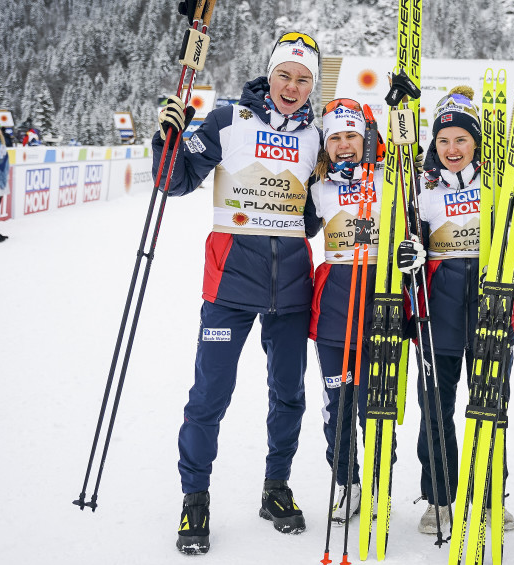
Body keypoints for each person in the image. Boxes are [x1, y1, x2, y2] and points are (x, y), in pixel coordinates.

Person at [152, 31, 323, 554]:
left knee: (289, 394)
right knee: (209, 396)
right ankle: (195, 496)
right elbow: (173, 182)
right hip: (229, 285)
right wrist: (169, 139)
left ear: (312, 85)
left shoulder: (317, 135)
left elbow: (314, 219)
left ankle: (275, 488)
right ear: (268, 76)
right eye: (284, 75)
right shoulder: (229, 119)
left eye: (303, 79)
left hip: (291, 287)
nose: (292, 86)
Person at [395, 86, 514, 535]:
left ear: (475, 143)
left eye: (461, 140)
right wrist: (411, 252)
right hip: (435, 318)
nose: (452, 149)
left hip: (490, 314)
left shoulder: (497, 186)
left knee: (491, 407)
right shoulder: (422, 192)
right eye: (444, 141)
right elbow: (408, 241)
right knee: (435, 410)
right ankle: (439, 497)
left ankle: (489, 496)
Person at [304, 97, 383, 527]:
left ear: (366, 139)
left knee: (378, 403)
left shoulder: (394, 181)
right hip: (335, 309)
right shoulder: (318, 188)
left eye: (352, 135)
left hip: (383, 307)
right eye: (335, 137)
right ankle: (346, 481)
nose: (344, 144)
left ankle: (376, 482)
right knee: (339, 404)